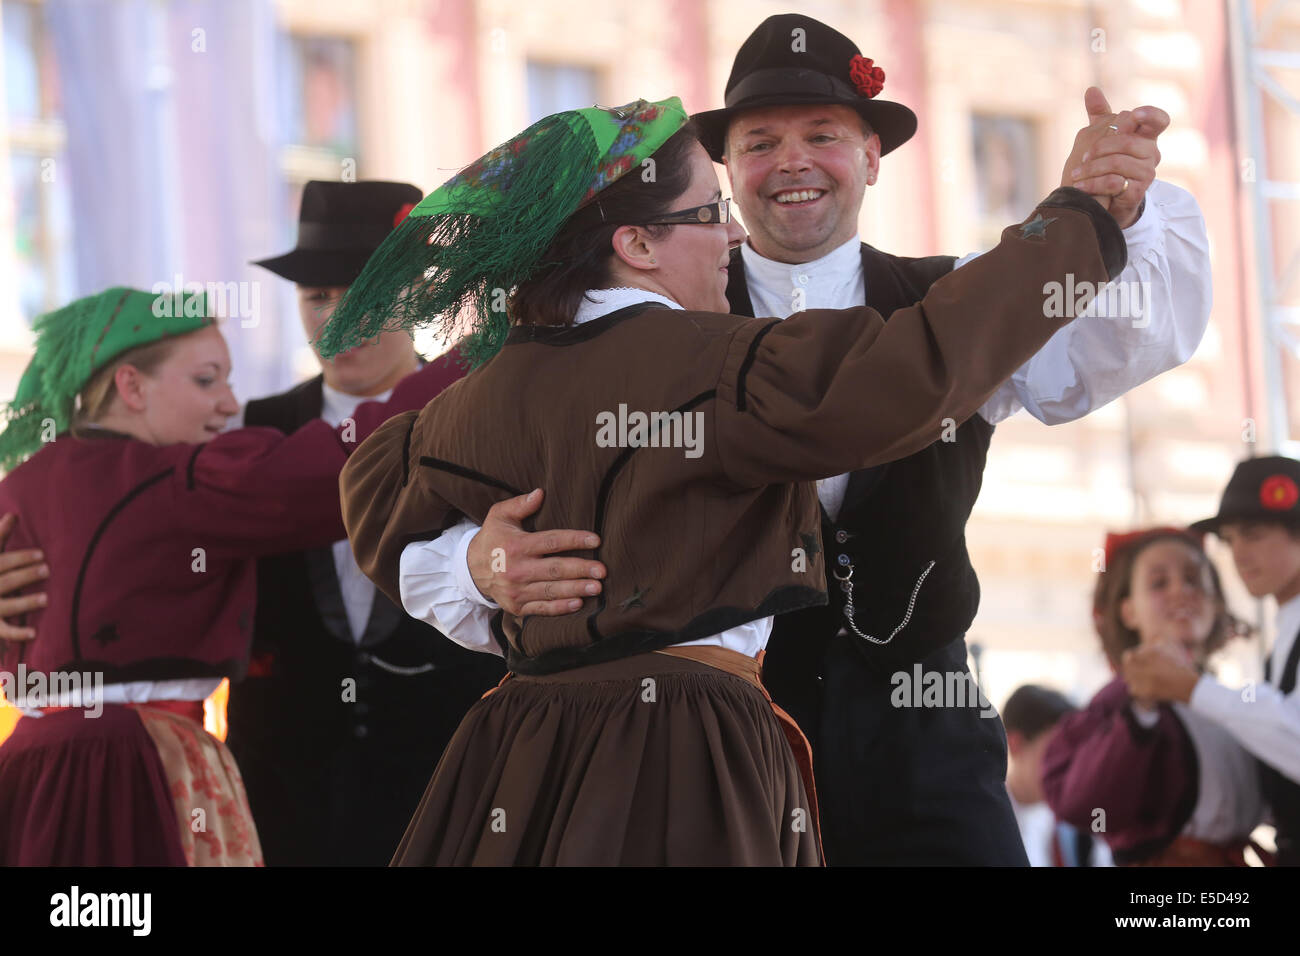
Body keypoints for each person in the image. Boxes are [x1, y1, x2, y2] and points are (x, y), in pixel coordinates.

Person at [412, 13, 1213, 865]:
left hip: (924, 731)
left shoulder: (963, 300)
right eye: (760, 141)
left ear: (872, 157)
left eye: (822, 134)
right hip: (727, 739)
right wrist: (474, 559)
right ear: (727, 172)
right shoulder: (650, 328)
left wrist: (1118, 205)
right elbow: (458, 454)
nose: (791, 160)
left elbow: (1134, 335)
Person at [0, 286, 465, 865]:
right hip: (133, 767)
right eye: (206, 380)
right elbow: (343, 466)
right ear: (131, 385)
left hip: (29, 775)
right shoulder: (177, 483)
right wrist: (476, 355)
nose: (228, 403)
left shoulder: (20, 485)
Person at [235, 180, 505, 866]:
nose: (337, 318)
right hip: (285, 781)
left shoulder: (478, 409)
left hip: (449, 765)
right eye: (316, 297)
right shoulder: (255, 424)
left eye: (363, 294)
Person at [1042, 528, 1263, 866]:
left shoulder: (1224, 700)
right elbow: (1079, 801)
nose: (1181, 591)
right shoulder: (1121, 698)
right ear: (1128, 611)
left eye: (1194, 579)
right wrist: (1139, 715)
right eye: (1159, 583)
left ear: (1216, 604)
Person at [1123, 456, 1300, 866]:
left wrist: (1192, 689)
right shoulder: (1283, 636)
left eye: (1253, 534)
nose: (1239, 554)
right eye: (1229, 539)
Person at [1003, 684, 1110, 866]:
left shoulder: (1080, 823)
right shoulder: (985, 823)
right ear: (1016, 745)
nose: (1069, 767)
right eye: (1054, 753)